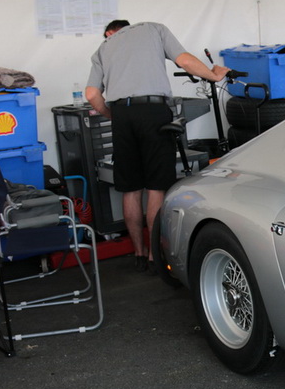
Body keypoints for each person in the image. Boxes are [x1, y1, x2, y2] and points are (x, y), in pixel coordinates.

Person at [85, 20, 229, 271]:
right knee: (155, 187)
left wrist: (112, 115)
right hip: (152, 111)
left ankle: (139, 254)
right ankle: (155, 256)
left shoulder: (103, 48)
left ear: (110, 32)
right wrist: (214, 74)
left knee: (130, 189)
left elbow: (91, 94)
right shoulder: (153, 29)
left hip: (122, 115)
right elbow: (184, 60)